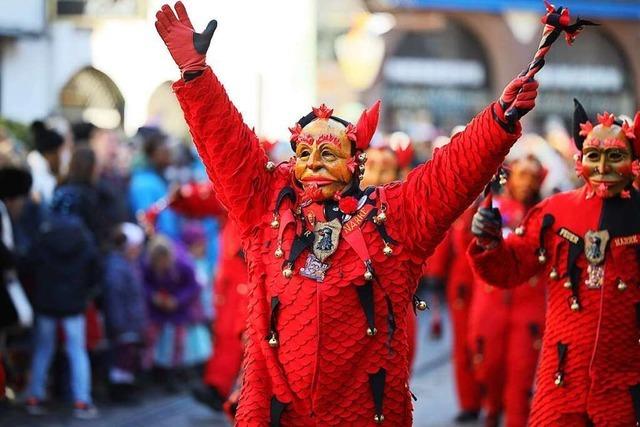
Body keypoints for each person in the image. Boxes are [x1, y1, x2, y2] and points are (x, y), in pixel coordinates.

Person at [154, 2, 538, 424]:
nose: (313, 162)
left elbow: (449, 175)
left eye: (328, 152)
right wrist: (196, 74)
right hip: (277, 409)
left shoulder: (395, 218)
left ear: (356, 162)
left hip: (363, 409)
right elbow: (229, 147)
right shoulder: (266, 206)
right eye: (303, 152)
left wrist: (499, 120)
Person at [469, 100, 640, 426]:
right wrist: (489, 241)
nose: (602, 166)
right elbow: (511, 267)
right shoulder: (554, 213)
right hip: (560, 379)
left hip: (623, 385)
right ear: (580, 159)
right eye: (594, 155)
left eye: (615, 155)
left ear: (634, 159)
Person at [467, 156, 547, 427]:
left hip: (529, 304)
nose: (527, 182)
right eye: (522, 174)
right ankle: (491, 407)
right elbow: (464, 244)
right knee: (487, 364)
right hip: (490, 301)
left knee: (522, 371)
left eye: (533, 176)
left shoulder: (544, 213)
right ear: (510, 177)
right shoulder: (491, 206)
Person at [24, 184, 101, 419]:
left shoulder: (43, 231)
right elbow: (94, 268)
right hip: (74, 303)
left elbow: (29, 263)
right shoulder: (84, 234)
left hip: (46, 300)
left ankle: (33, 396)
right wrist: (86, 291)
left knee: (43, 349)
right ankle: (82, 402)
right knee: (77, 351)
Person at [142, 235, 203, 388]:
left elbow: (193, 286)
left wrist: (178, 300)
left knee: (177, 342)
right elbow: (143, 284)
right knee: (151, 339)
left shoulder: (182, 265)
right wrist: (153, 296)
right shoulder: (148, 266)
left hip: (178, 309)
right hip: (157, 309)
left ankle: (174, 374)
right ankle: (152, 372)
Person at [103, 222, 146, 403]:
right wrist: (119, 323)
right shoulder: (117, 267)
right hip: (124, 322)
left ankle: (125, 389)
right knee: (121, 358)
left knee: (128, 358)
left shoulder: (128, 265)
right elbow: (115, 298)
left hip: (131, 321)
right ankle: (119, 391)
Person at [129, 129, 179, 239]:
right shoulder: (143, 183)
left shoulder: (159, 178)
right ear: (153, 154)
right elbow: (148, 223)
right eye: (165, 152)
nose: (169, 157)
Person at [27, 121, 65, 205]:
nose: (61, 158)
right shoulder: (36, 164)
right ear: (52, 153)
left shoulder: (35, 159)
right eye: (59, 153)